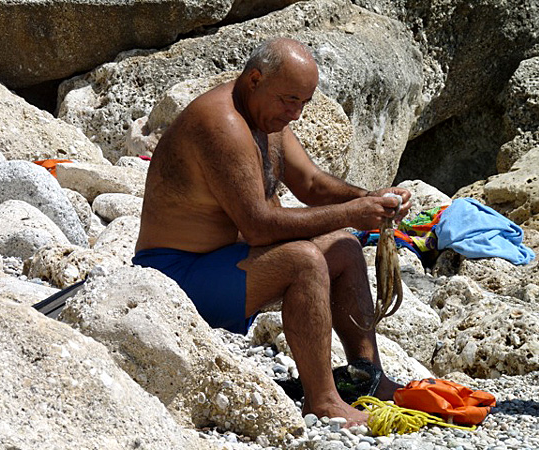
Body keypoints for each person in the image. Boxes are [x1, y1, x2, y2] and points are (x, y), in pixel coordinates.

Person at [133, 37, 411, 425]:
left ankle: (367, 378)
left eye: (303, 103)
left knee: (345, 248)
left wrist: (371, 199)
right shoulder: (223, 124)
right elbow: (259, 226)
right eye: (288, 100)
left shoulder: (268, 117)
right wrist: (352, 211)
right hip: (174, 275)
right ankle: (323, 401)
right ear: (254, 80)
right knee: (304, 261)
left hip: (222, 262)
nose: (294, 113)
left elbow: (311, 183)